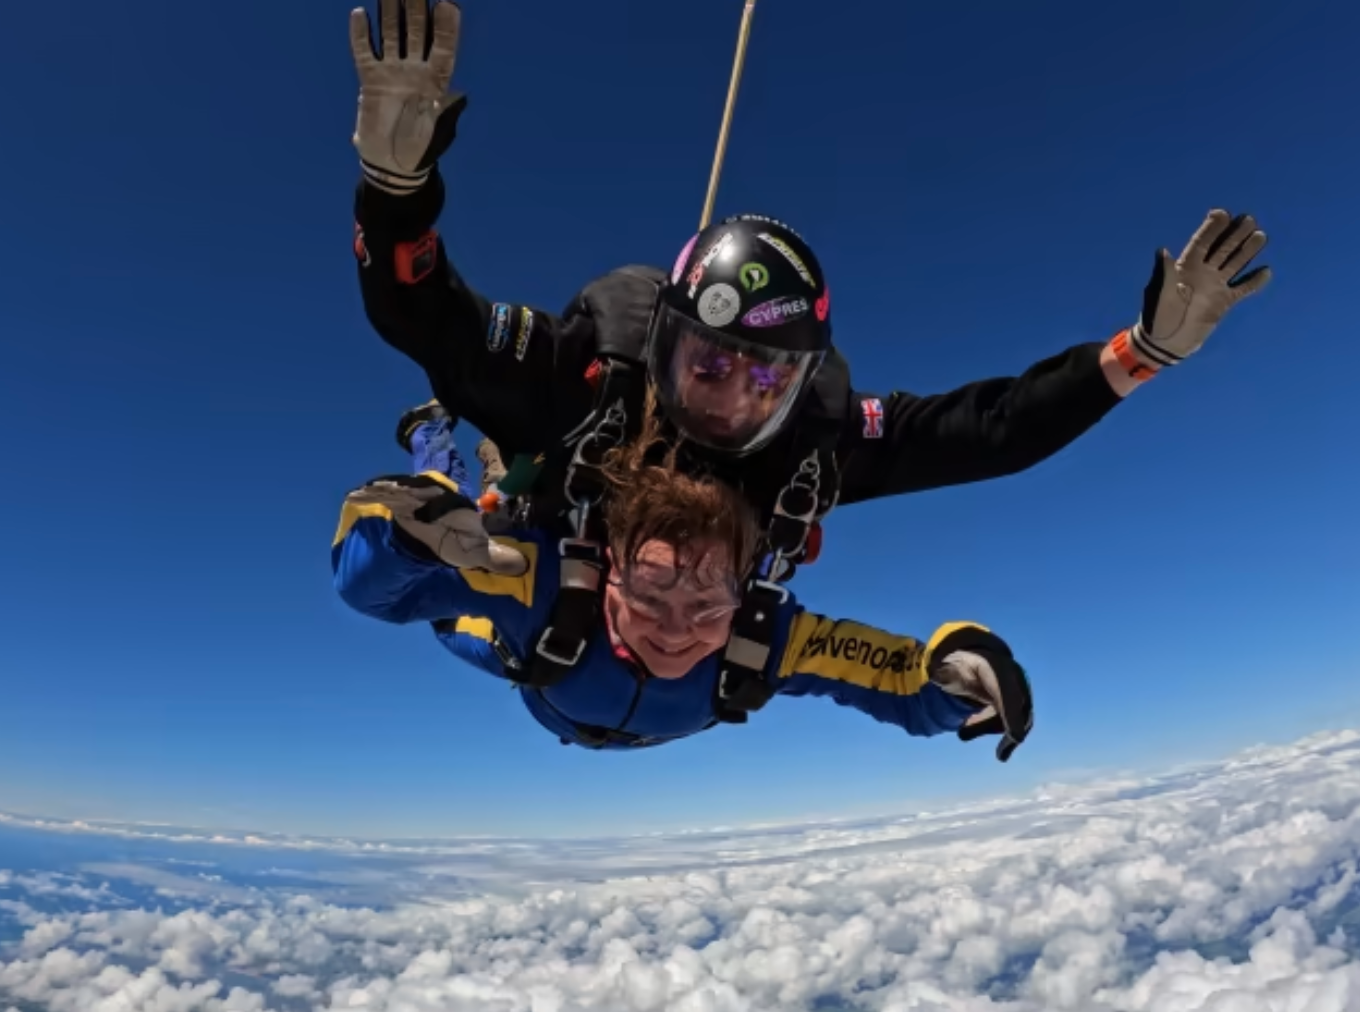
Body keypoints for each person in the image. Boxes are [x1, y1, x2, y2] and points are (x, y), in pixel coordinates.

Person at [345, 0, 1271, 714]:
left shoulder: (812, 451)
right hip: (550, 564)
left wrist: (1141, 353)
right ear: (666, 341)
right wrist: (397, 191)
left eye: (768, 379)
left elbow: (991, 431)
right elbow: (431, 319)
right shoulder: (588, 381)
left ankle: (446, 467)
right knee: (465, 509)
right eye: (712, 364)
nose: (733, 401)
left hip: (619, 654)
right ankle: (441, 450)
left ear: (801, 380)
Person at [333, 397, 1036, 758]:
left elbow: (896, 677)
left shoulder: (765, 635)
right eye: (649, 589)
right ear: (606, 570)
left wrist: (956, 673)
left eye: (708, 603)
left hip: (560, 691)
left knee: (479, 529)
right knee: (466, 536)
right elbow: (378, 594)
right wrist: (404, 542)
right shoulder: (535, 585)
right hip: (525, 648)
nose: (676, 629)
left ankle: (489, 478)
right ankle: (434, 442)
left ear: (748, 591)